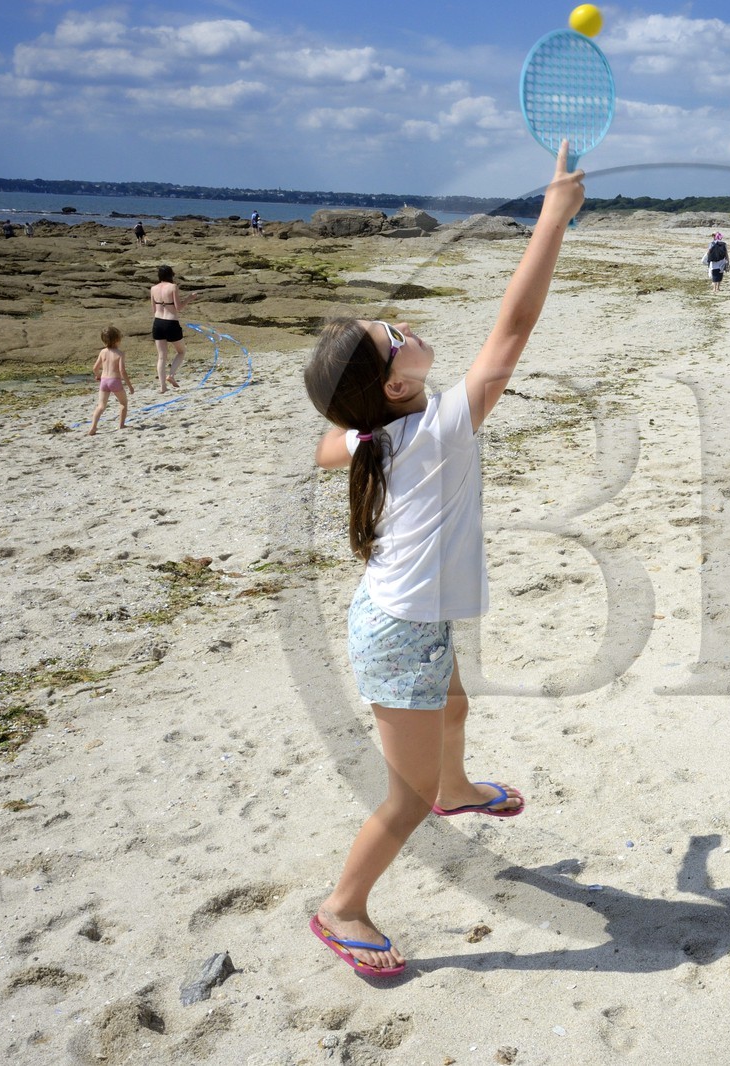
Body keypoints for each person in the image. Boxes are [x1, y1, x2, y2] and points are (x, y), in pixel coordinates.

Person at [299, 142, 584, 979]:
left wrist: (353, 435)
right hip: (397, 629)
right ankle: (342, 906)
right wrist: (550, 218)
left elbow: (331, 442)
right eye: (393, 338)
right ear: (393, 384)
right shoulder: (435, 429)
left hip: (400, 616)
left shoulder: (377, 436)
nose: (404, 326)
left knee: (450, 702)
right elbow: (515, 326)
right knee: (404, 797)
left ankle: (457, 786)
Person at [149, 265, 199, 391]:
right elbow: (178, 308)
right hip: (171, 322)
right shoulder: (173, 287)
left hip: (158, 322)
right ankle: (171, 375)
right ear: (171, 275)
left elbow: (154, 309)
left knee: (161, 356)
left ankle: (162, 387)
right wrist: (189, 298)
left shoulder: (153, 288)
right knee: (181, 351)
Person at [87, 326, 133, 434]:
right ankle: (121, 425)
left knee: (101, 406)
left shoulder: (102, 352)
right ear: (118, 339)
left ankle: (93, 427)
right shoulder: (120, 354)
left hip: (104, 381)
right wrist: (130, 386)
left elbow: (95, 368)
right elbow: (122, 371)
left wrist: (98, 376)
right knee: (123, 403)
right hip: (114, 381)